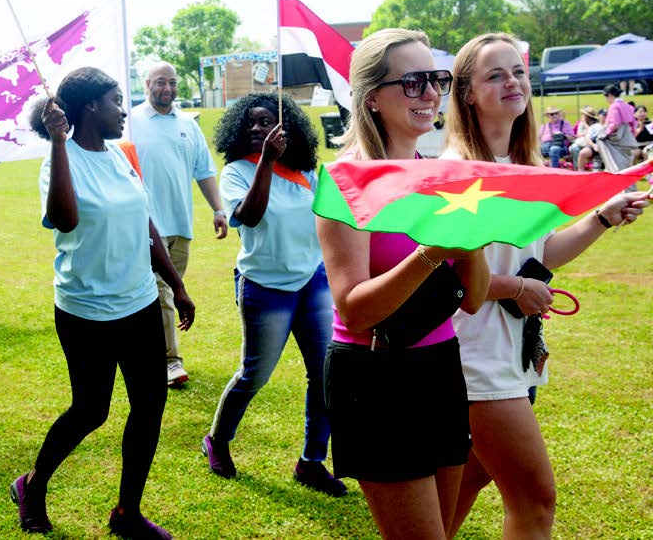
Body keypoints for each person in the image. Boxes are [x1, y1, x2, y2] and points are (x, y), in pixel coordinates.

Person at [441, 32, 648, 539]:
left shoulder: (527, 167)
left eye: (519, 71)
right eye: (496, 74)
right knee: (535, 502)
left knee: (467, 483)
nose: (513, 81)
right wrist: (514, 290)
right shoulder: (454, 173)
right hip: (474, 355)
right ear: (468, 92)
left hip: (514, 349)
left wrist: (601, 218)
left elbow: (543, 255)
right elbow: (442, 279)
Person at [315, 28, 490, 538]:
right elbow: (354, 310)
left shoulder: (438, 177)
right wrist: (432, 253)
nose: (432, 94)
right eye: (414, 82)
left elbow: (474, 300)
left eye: (437, 80)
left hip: (440, 367)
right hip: (375, 377)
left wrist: (473, 242)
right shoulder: (345, 181)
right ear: (372, 97)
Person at [11, 67, 194, 539]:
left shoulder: (119, 156)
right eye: (116, 100)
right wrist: (56, 142)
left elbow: (146, 225)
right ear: (90, 107)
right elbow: (65, 221)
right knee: (91, 410)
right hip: (86, 309)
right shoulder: (59, 160)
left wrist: (176, 284)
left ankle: (126, 513)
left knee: (150, 405)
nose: (122, 110)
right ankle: (32, 486)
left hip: (138, 303)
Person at [201, 91, 347, 497]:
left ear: (287, 127)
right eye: (250, 122)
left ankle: (311, 462)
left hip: (312, 282)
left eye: (266, 121)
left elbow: (335, 219)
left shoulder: (308, 173)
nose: (256, 128)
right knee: (255, 375)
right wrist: (265, 160)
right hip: (265, 287)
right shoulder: (237, 171)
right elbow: (249, 217)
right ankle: (217, 440)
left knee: (324, 376)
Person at [130, 61, 228, 387]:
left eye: (172, 83)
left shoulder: (188, 125)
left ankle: (144, 354)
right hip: (146, 228)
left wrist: (218, 209)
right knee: (163, 296)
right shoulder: (130, 122)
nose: (167, 89)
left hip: (181, 227)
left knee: (163, 297)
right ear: (146, 84)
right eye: (160, 82)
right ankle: (171, 362)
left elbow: (204, 171)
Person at [594, 85, 638, 172]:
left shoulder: (614, 106)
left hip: (618, 139)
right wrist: (632, 134)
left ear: (610, 95)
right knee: (626, 165)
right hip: (628, 138)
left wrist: (605, 133)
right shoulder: (627, 106)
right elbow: (634, 123)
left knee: (616, 165)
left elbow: (615, 124)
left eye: (606, 97)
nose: (606, 100)